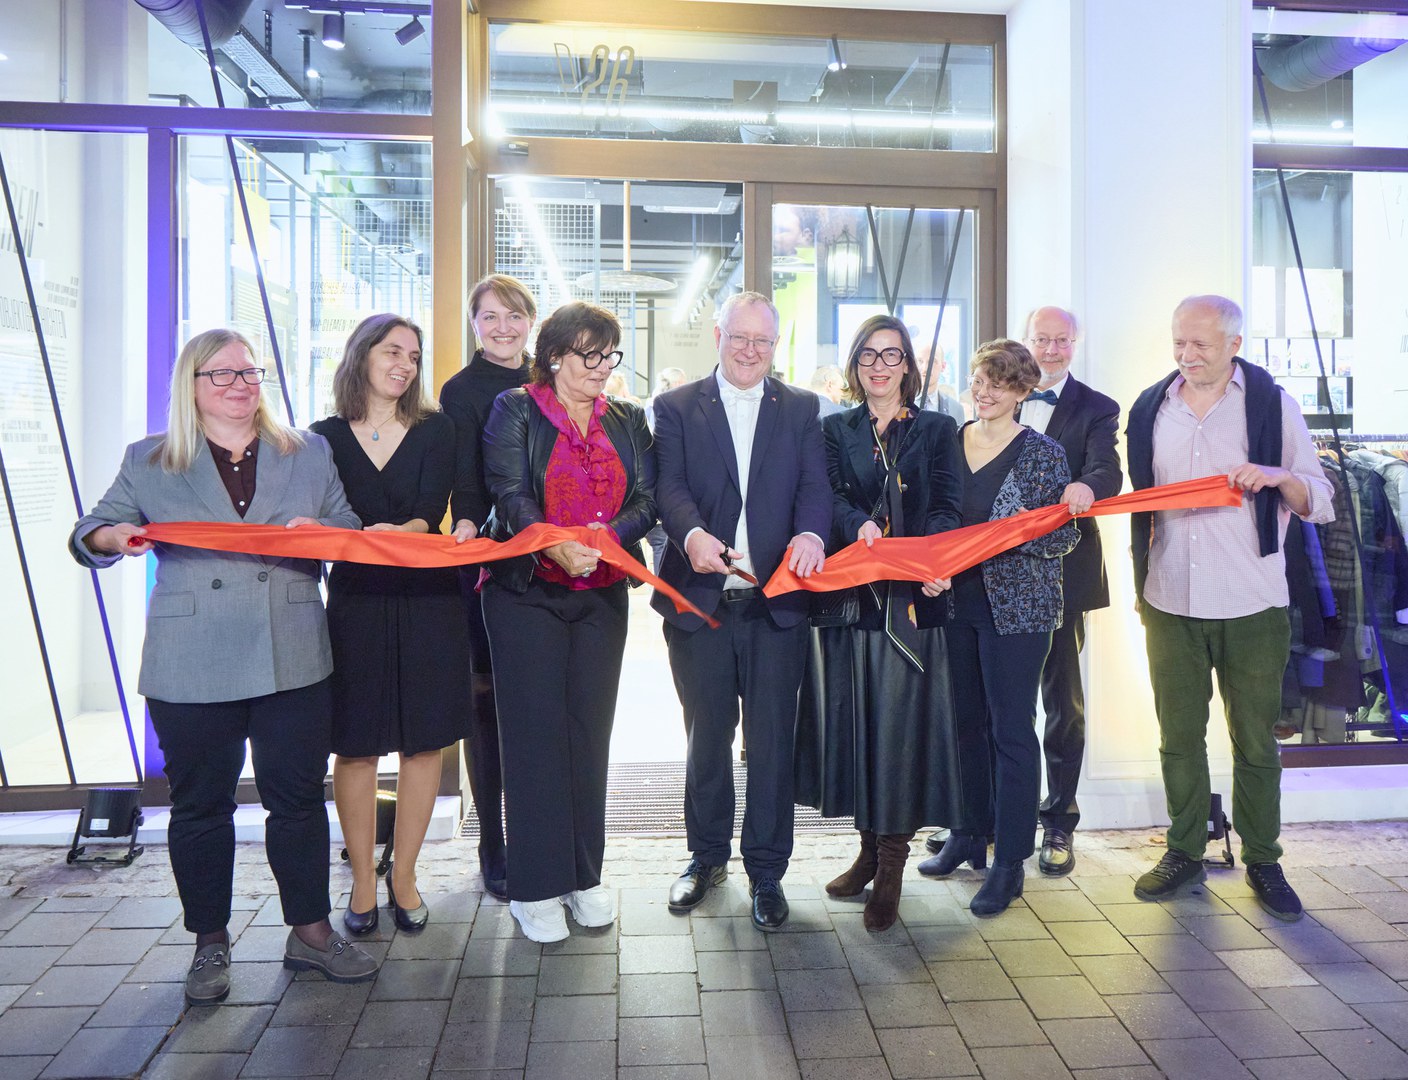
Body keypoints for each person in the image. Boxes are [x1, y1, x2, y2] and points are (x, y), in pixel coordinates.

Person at [68, 329, 378, 1006]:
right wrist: (113, 537)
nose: (241, 384)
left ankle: (313, 933)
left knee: (296, 801)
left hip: (291, 651)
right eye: (224, 374)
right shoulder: (150, 459)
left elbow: (348, 528)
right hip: (191, 660)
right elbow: (92, 529)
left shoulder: (307, 451)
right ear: (193, 385)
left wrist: (321, 536)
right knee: (200, 807)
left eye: (250, 372)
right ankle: (209, 941)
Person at [1126, 295, 1333, 920]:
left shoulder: (1272, 405)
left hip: (1253, 600)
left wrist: (1275, 476)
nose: (1186, 357)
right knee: (1178, 738)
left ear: (1234, 345)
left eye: (1202, 346)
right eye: (1178, 344)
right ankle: (1185, 850)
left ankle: (1264, 859)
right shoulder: (1149, 408)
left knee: (1256, 741)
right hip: (1169, 598)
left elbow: (1317, 497)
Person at [652, 290, 832, 932]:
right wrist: (692, 535)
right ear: (719, 336)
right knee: (706, 739)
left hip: (774, 604)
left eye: (763, 340)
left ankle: (766, 871)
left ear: (775, 345)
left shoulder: (802, 407)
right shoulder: (676, 406)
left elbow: (816, 486)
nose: (751, 350)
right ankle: (705, 859)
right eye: (740, 337)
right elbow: (666, 485)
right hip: (700, 603)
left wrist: (812, 535)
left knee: (771, 744)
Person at [480, 301, 656, 943]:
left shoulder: (630, 419)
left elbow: (647, 497)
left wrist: (607, 538)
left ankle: (584, 877)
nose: (602, 368)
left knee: (589, 734)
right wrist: (552, 541)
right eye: (590, 355)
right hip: (528, 591)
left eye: (609, 356)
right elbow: (508, 489)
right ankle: (533, 886)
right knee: (533, 738)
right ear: (554, 355)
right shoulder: (516, 409)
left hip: (602, 594)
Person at [795, 316, 964, 932]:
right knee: (860, 728)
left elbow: (948, 506)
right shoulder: (834, 428)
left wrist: (932, 558)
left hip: (914, 602)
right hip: (853, 603)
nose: (879, 366)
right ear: (855, 364)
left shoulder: (939, 429)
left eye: (892, 355)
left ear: (908, 366)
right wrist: (853, 525)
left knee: (900, 731)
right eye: (868, 355)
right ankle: (867, 851)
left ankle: (892, 863)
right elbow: (828, 493)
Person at [310, 314, 469, 935]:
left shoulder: (437, 429)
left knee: (424, 741)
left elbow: (431, 511)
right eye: (392, 351)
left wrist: (404, 532)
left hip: (428, 598)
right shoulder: (320, 437)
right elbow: (323, 515)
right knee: (355, 743)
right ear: (362, 356)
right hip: (355, 600)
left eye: (413, 355)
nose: (404, 364)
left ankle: (403, 876)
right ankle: (358, 880)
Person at [918, 339, 1078, 916]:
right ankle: (967, 832)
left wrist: (1019, 534)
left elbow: (1064, 538)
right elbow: (931, 522)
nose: (984, 392)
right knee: (965, 724)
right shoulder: (948, 441)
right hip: (954, 603)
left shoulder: (1044, 455)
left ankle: (1010, 860)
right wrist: (929, 569)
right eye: (978, 380)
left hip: (1019, 612)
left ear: (1022, 393)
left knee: (1012, 731)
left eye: (999, 384)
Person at [440, 273, 537, 900]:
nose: (502, 328)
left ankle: (538, 837)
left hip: (551, 559)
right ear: (474, 324)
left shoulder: (550, 379)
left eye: (513, 316)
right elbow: (466, 478)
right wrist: (473, 530)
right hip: (489, 560)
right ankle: (492, 844)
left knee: (535, 705)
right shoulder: (460, 391)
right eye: (488, 317)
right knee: (487, 707)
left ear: (531, 320)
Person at [1017, 307, 1122, 876]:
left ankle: (1059, 821)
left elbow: (1109, 473)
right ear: (1027, 338)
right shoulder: (1001, 390)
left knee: (1062, 704)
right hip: (997, 571)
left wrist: (1085, 484)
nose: (1051, 350)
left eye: (1061, 340)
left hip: (1062, 572)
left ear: (1075, 343)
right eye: (1043, 339)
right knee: (997, 703)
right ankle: (992, 819)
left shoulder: (1098, 407)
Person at [908, 327, 966, 423]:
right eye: (920, 361)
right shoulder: (899, 403)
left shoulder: (956, 409)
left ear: (943, 366)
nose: (925, 368)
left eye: (932, 362)